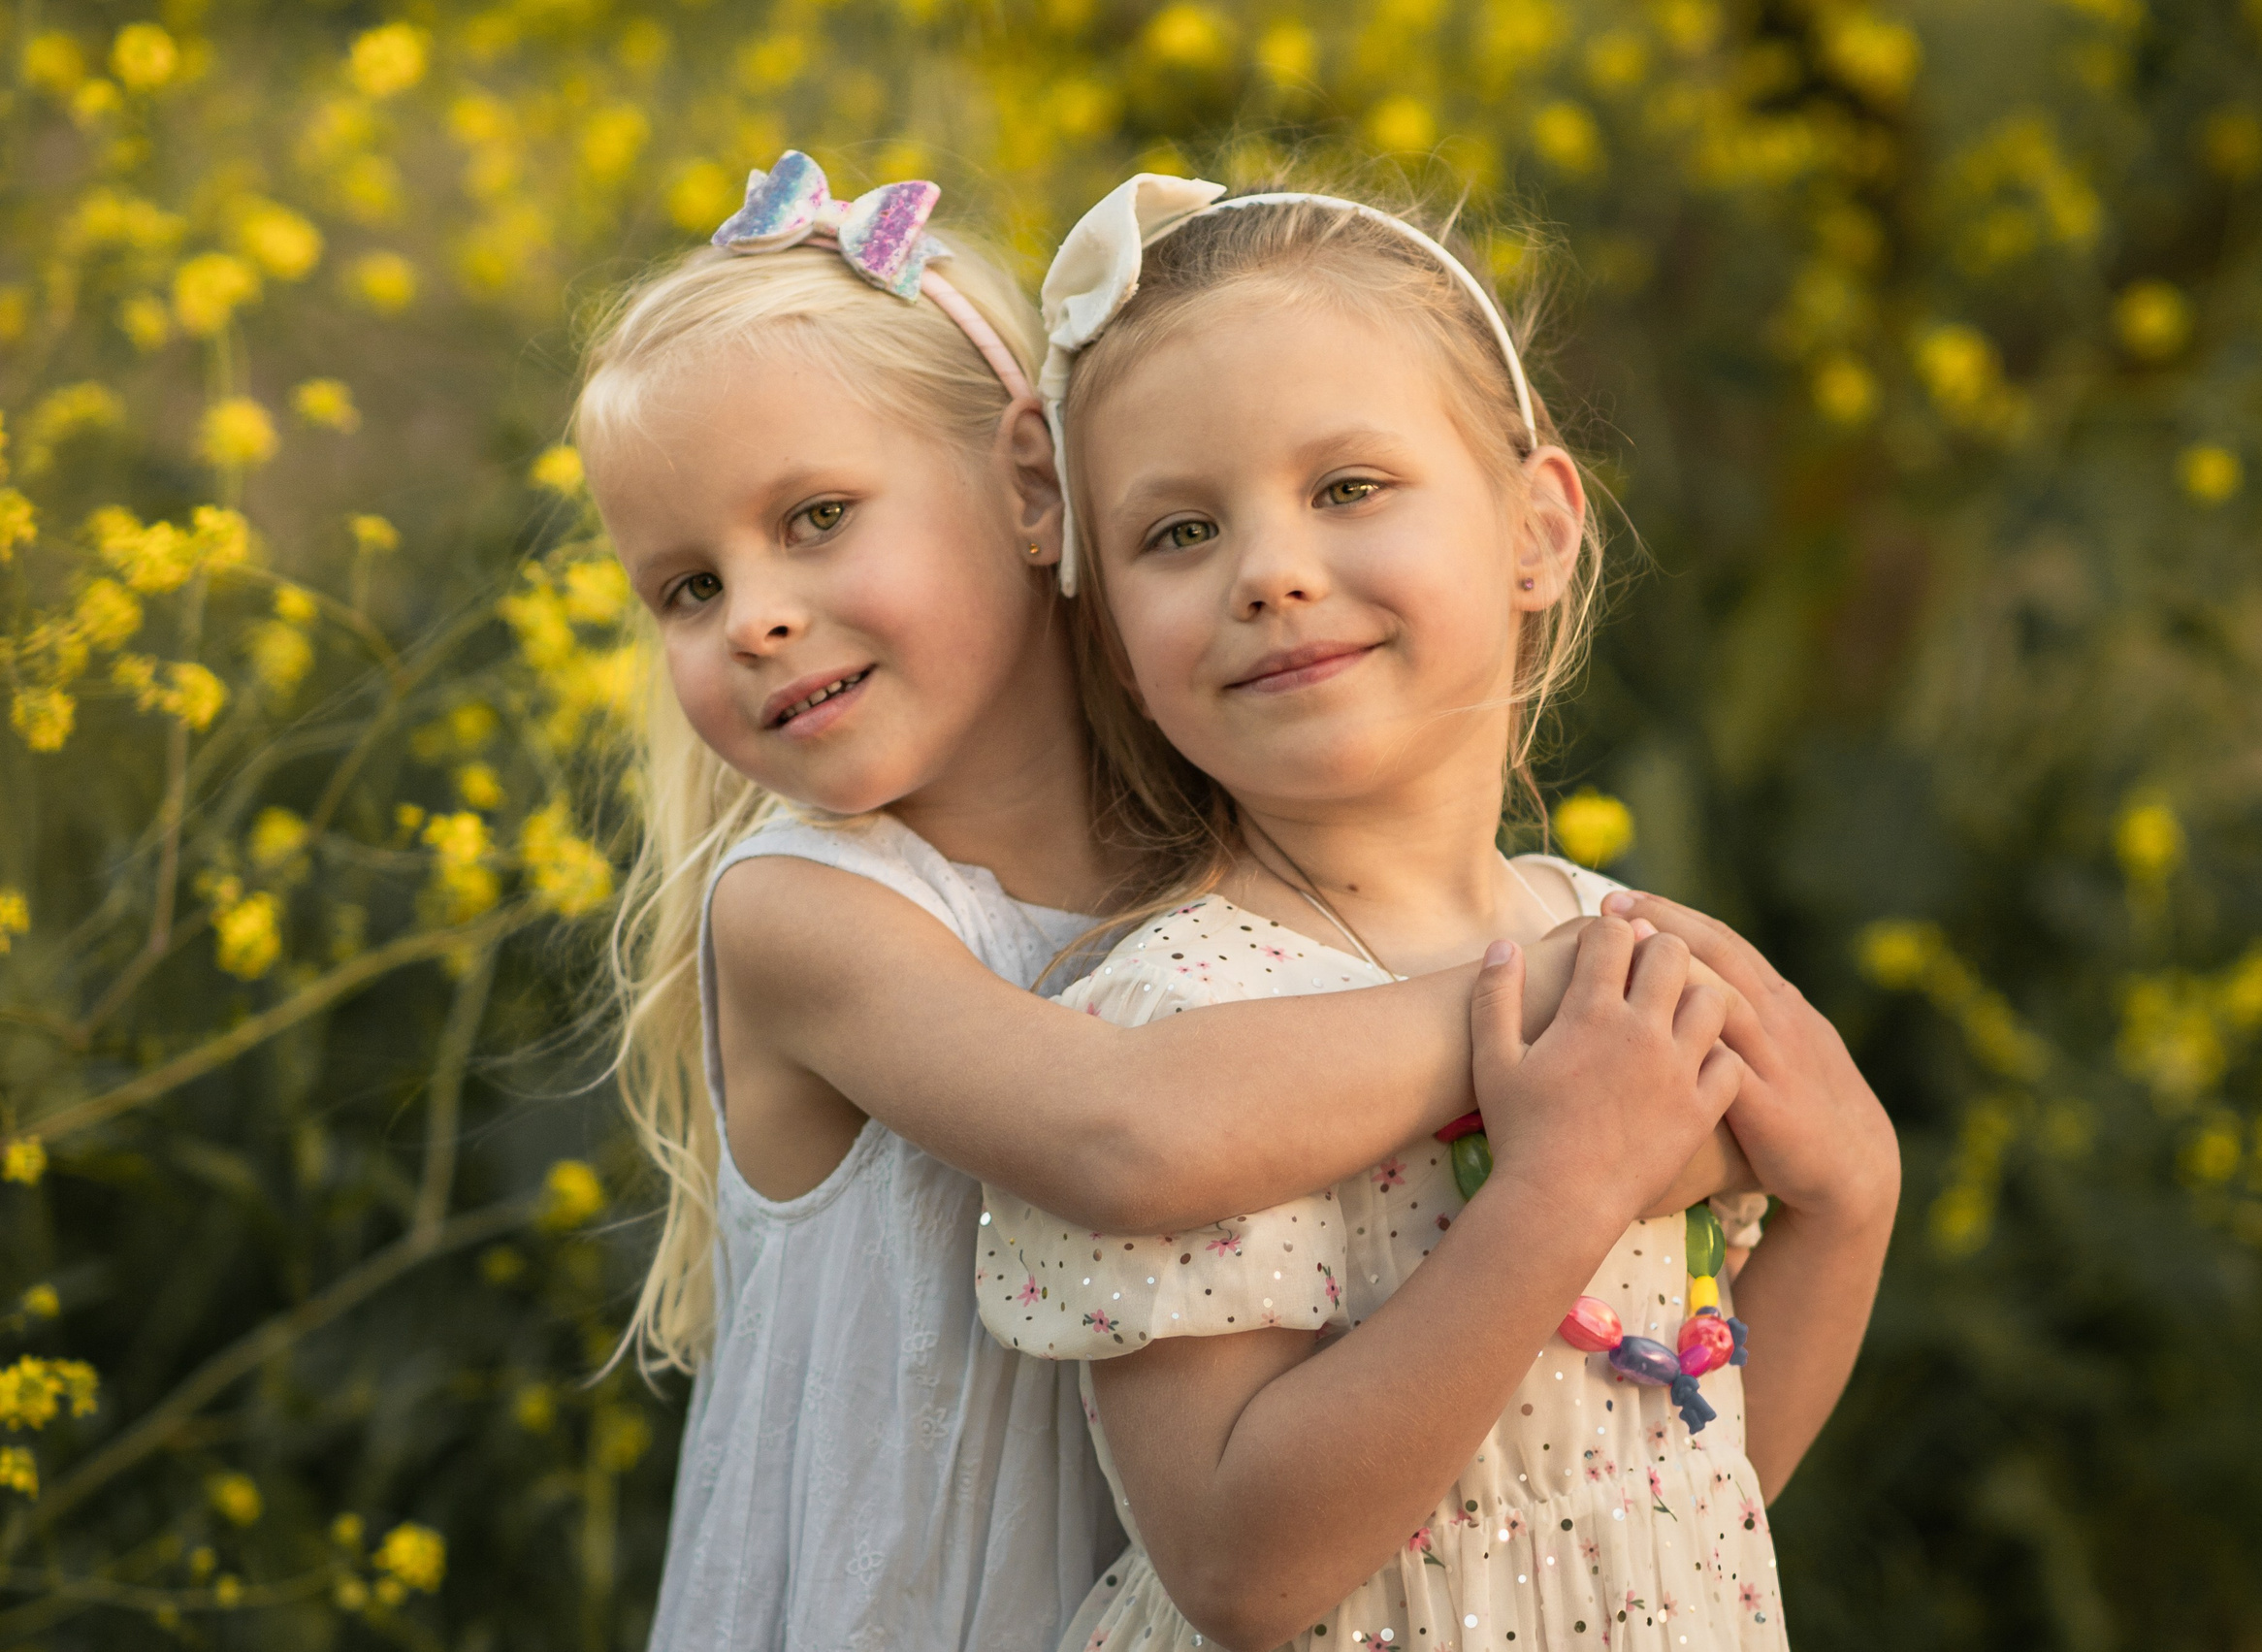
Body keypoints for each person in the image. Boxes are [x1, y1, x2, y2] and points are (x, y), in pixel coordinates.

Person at [575, 152, 1761, 1652]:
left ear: (1031, 488)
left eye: (816, 517)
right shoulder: (805, 909)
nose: (752, 617)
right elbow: (1124, 1140)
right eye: (685, 589)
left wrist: (1764, 1129)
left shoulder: (1231, 876)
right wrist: (1559, 1005)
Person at [976, 176, 1903, 1652]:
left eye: (1348, 488)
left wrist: (1850, 1204)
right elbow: (1240, 1572)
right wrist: (1555, 1197)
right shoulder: (1190, 1018)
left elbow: (1696, 1487)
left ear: (1536, 531)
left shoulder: (1616, 941)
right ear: (1113, 636)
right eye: (1180, 532)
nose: (1270, 573)